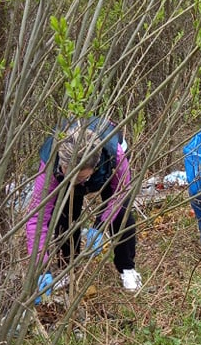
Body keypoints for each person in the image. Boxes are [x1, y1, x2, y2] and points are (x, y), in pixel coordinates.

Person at [25, 116, 141, 294]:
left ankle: (127, 268)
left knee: (122, 213)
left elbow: (121, 192)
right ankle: (68, 267)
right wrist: (40, 270)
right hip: (63, 174)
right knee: (66, 216)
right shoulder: (50, 164)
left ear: (94, 167)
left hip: (109, 173)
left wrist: (100, 226)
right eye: (69, 175)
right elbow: (36, 219)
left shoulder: (114, 155)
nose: (74, 182)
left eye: (79, 177)